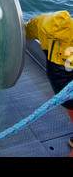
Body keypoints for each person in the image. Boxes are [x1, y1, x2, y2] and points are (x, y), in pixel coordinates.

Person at [25, 10, 73, 157]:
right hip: (64, 77)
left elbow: (27, 30)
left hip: (57, 77)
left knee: (68, 103)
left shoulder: (44, 23)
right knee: (70, 104)